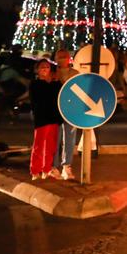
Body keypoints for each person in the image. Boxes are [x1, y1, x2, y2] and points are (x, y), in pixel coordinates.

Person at [28, 59, 62, 180]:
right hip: (42, 118)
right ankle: (35, 170)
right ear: (37, 70)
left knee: (51, 145)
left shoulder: (55, 84)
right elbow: (34, 102)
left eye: (47, 67)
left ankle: (46, 169)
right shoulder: (35, 84)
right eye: (42, 67)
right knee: (39, 144)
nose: (44, 69)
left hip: (53, 117)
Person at [52, 48, 79, 180]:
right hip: (55, 110)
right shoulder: (52, 73)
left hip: (70, 110)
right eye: (60, 56)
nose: (62, 59)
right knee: (55, 138)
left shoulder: (75, 73)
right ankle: (54, 166)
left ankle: (66, 166)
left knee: (69, 139)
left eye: (65, 56)